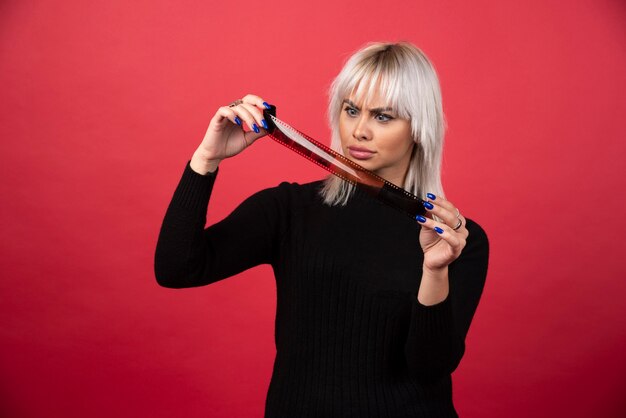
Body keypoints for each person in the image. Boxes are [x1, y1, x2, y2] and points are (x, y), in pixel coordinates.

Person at [155, 41, 489, 417]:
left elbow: (428, 367)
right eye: (351, 110)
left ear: (418, 128)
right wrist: (206, 158)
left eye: (383, 117)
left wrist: (434, 269)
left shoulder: (459, 241)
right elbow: (176, 269)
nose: (359, 131)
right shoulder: (289, 210)